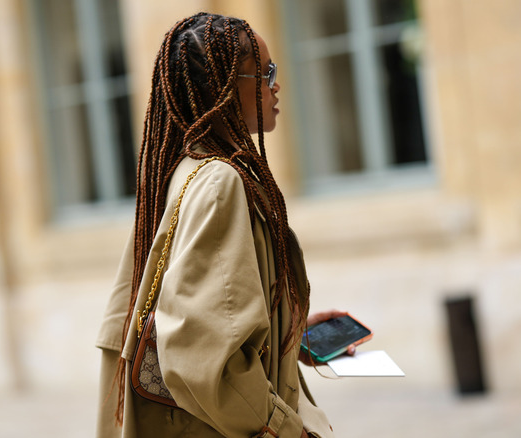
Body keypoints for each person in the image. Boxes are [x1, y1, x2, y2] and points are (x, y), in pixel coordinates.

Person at [95, 12, 356, 438]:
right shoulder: (220, 182)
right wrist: (287, 431)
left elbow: (206, 316)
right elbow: (207, 361)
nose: (276, 85)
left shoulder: (178, 169)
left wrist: (288, 333)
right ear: (223, 87)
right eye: (265, 73)